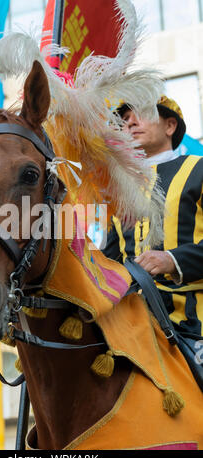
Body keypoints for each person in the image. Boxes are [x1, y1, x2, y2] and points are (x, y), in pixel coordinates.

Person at [102, 95, 203, 338]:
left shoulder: (199, 169)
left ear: (170, 126)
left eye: (142, 113)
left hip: (194, 320)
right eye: (124, 119)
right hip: (130, 322)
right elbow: (108, 263)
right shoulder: (117, 191)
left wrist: (172, 260)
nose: (130, 123)